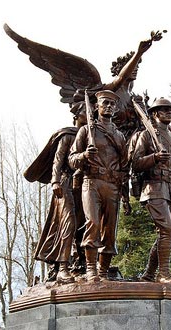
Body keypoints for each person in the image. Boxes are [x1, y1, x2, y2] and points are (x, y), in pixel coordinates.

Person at [69, 90, 130, 282]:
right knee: (93, 223)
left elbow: (125, 166)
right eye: (105, 103)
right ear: (96, 106)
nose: (109, 107)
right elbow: (71, 159)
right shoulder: (86, 131)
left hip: (112, 185)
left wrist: (125, 195)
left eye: (112, 104)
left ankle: (103, 271)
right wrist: (85, 156)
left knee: (110, 229)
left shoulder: (119, 136)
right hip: (92, 182)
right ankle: (90, 269)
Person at [30, 102, 87, 283]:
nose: (90, 114)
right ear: (76, 116)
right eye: (86, 112)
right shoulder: (68, 135)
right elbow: (58, 159)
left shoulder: (90, 136)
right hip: (65, 182)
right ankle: (62, 267)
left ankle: (82, 262)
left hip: (83, 184)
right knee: (68, 222)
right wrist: (55, 181)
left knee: (84, 224)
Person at [130, 97, 171, 284]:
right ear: (155, 113)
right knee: (166, 229)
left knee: (165, 232)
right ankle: (163, 274)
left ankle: (149, 275)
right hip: (153, 187)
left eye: (170, 110)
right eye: (164, 110)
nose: (169, 113)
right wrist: (154, 157)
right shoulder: (147, 135)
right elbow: (135, 164)